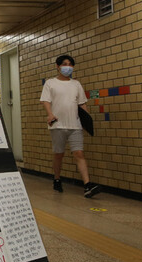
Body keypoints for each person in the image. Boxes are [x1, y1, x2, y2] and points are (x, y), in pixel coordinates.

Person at [39, 55, 101, 198]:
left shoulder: (76, 84)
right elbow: (46, 101)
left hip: (75, 125)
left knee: (79, 153)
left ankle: (87, 185)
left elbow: (82, 103)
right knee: (59, 154)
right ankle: (57, 178)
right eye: (65, 64)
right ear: (58, 66)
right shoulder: (50, 83)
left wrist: (87, 119)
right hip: (57, 125)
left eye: (70, 64)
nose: (68, 67)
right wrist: (49, 114)